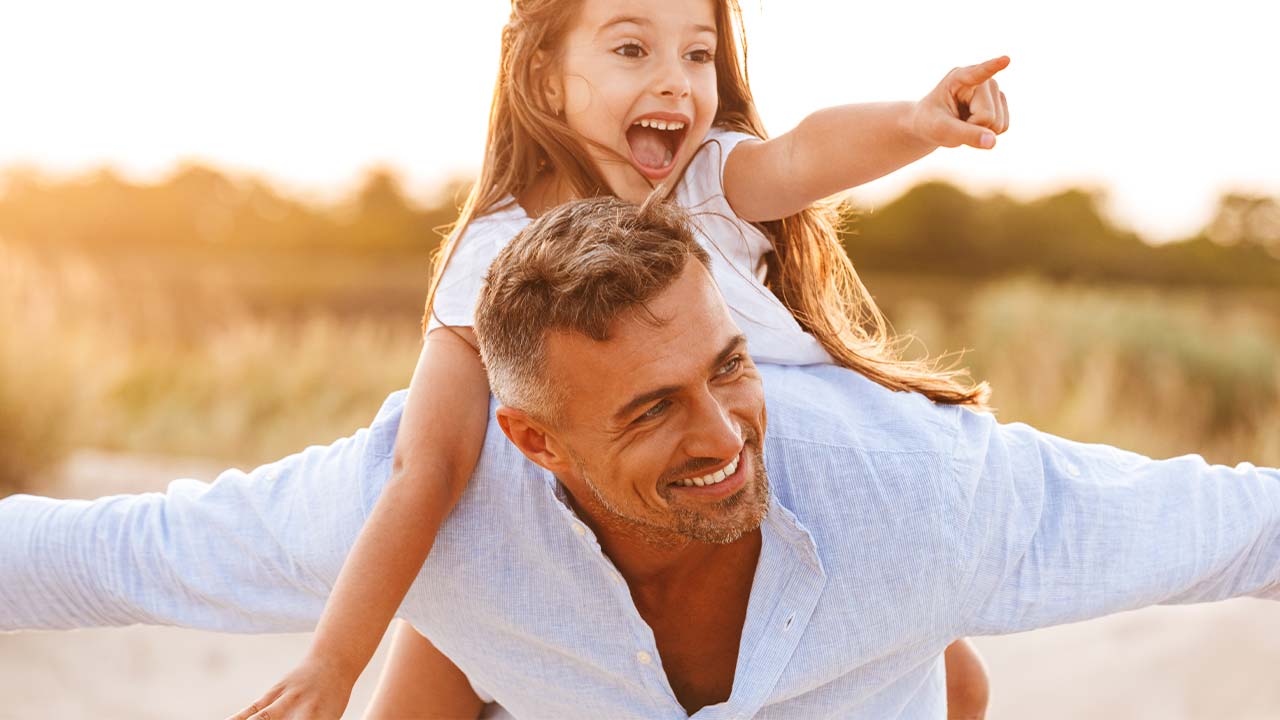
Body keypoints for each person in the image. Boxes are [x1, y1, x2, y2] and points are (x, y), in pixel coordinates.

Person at [3, 196, 1280, 719]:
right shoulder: (425, 500)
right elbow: (114, 555)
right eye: (650, 409)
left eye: (726, 366)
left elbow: (1228, 525)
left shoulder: (928, 491)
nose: (723, 437)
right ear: (531, 439)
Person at [232, 0, 1011, 716]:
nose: (676, 81)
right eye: (633, 49)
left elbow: (805, 153)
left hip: (780, 497)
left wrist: (917, 122)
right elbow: (425, 468)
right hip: (575, 518)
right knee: (434, 667)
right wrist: (332, 662)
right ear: (542, 74)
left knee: (958, 679)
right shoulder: (494, 256)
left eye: (698, 54)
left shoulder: (708, 183)